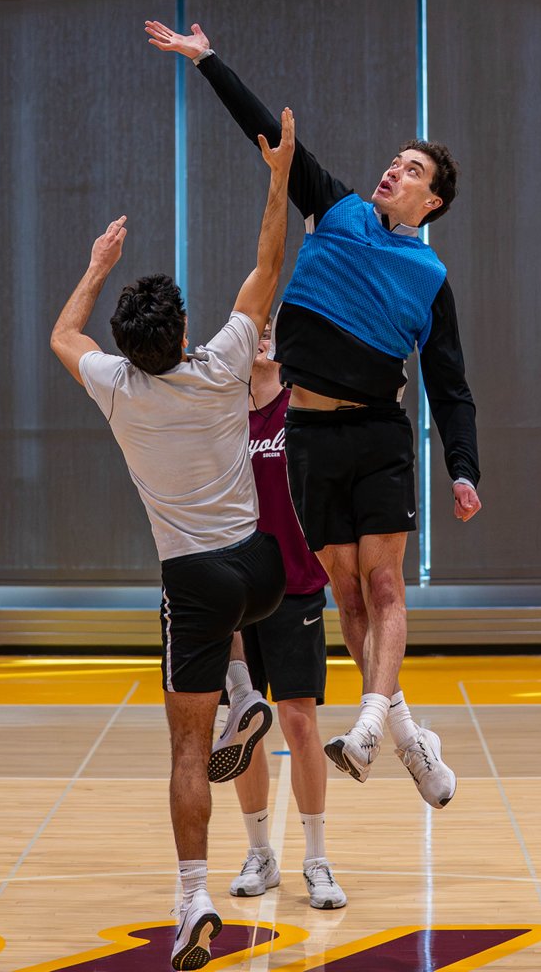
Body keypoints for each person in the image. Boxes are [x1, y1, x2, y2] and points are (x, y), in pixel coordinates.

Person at [146, 19, 482, 808]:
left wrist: (462, 468)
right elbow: (272, 136)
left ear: (431, 200)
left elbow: (451, 385)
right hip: (310, 432)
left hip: (376, 432)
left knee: (387, 583)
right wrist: (209, 63)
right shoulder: (335, 211)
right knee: (348, 594)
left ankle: (368, 723)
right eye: (394, 161)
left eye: (411, 170)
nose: (392, 171)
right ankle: (407, 736)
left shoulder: (430, 279)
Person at [50, 111, 294, 972]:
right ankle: (242, 689)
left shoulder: (117, 387)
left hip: (192, 582)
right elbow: (267, 266)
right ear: (184, 330)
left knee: (188, 749)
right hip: (259, 568)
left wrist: (94, 266)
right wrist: (277, 174)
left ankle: (191, 896)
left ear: (128, 348)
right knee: (228, 615)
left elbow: (60, 336)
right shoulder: (228, 359)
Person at [217, 326, 346, 910]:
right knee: (246, 728)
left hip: (297, 589)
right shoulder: (219, 414)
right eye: (256, 329)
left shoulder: (303, 408)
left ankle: (316, 858)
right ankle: (259, 853)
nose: (265, 336)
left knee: (298, 721)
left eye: (274, 328)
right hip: (239, 592)